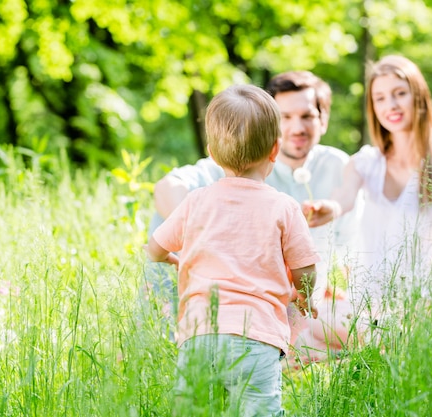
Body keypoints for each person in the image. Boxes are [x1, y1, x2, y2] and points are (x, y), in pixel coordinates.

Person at [149, 71, 361, 363]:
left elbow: (347, 261)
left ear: (323, 119)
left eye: (307, 116)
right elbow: (166, 186)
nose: (296, 128)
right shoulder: (236, 159)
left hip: (289, 305)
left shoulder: (337, 165)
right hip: (228, 301)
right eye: (285, 117)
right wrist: (197, 228)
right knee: (170, 215)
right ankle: (166, 331)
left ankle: (283, 352)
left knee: (360, 327)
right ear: (270, 129)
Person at [145, 84, 320, 416]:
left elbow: (155, 247)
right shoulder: (284, 207)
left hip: (198, 335)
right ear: (275, 149)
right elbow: (305, 268)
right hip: (256, 337)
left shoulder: (195, 200)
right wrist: (306, 295)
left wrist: (170, 257)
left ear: (211, 153)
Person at [304, 55, 432, 331]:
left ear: (419, 96)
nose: (390, 105)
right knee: (296, 330)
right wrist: (327, 209)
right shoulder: (365, 162)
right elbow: (343, 199)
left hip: (422, 305)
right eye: (379, 98)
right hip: (365, 306)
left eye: (399, 94)